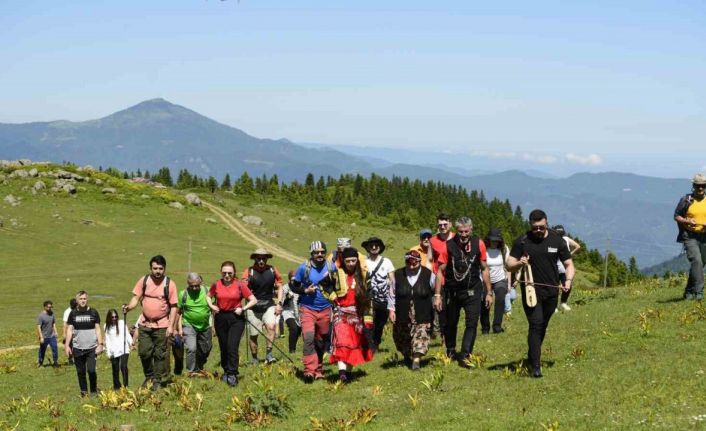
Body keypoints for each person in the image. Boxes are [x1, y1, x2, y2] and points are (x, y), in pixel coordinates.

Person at [506, 209, 574, 378]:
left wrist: (568, 280)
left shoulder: (557, 240)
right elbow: (509, 264)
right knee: (536, 324)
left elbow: (569, 264)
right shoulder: (522, 241)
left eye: (541, 227)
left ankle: (532, 355)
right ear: (530, 225)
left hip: (552, 292)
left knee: (542, 326)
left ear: (546, 223)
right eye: (535, 227)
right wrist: (519, 263)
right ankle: (535, 366)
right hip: (531, 291)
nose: (538, 230)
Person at [434, 216, 493, 366]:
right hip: (452, 291)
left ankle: (465, 355)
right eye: (460, 232)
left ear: (471, 230)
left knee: (471, 323)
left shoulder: (479, 244)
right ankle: (451, 350)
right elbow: (440, 271)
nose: (464, 235)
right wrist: (437, 295)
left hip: (473, 289)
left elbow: (485, 269)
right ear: (457, 231)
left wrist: (489, 292)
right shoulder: (448, 246)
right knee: (450, 322)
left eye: (466, 231)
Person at [122, 255, 178, 390]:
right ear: (150, 268)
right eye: (155, 268)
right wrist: (129, 307)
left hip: (162, 324)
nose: (157, 271)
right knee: (144, 352)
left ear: (164, 269)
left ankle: (157, 381)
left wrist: (171, 326)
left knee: (160, 354)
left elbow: (174, 306)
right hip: (145, 324)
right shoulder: (144, 280)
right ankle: (149, 375)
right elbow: (136, 298)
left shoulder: (169, 284)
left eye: (160, 268)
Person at [290, 240, 338, 382]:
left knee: (321, 340)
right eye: (316, 252)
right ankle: (309, 371)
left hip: (325, 308)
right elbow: (293, 286)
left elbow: (338, 285)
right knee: (309, 338)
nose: (320, 254)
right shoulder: (304, 267)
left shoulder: (331, 267)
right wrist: (305, 290)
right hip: (307, 309)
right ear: (311, 253)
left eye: (322, 252)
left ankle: (318, 369)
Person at [328, 248, 374, 382]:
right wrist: (333, 297)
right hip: (341, 313)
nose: (351, 263)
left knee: (355, 344)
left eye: (354, 260)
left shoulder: (364, 275)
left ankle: (347, 373)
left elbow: (368, 297)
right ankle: (341, 372)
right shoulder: (336, 273)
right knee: (342, 342)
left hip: (357, 313)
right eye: (348, 261)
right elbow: (324, 285)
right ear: (343, 261)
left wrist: (367, 317)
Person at [209, 261, 257, 386]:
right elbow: (208, 296)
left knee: (232, 346)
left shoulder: (240, 285)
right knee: (223, 346)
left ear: (234, 272)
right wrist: (211, 305)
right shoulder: (216, 284)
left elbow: (253, 300)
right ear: (221, 272)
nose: (227, 275)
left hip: (236, 317)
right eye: (224, 273)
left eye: (229, 273)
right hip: (220, 317)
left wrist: (243, 309)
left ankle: (232, 373)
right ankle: (226, 370)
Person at [391, 249, 435, 370]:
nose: (411, 265)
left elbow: (435, 290)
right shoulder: (398, 274)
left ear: (419, 262)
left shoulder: (428, 274)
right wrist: (391, 310)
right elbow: (391, 294)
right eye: (408, 262)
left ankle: (416, 361)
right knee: (403, 337)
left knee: (422, 335)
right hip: (402, 312)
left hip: (422, 312)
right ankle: (406, 355)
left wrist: (437, 300)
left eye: (414, 263)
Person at [241, 249, 283, 365]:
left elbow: (280, 286)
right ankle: (255, 359)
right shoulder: (248, 272)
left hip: (268, 304)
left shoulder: (272, 270)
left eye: (263, 258)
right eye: (258, 258)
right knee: (254, 335)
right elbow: (243, 289)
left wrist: (279, 303)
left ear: (267, 259)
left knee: (271, 326)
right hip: (253, 307)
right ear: (254, 259)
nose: (261, 261)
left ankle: (269, 355)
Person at [674, 173, 706, 300]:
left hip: (704, 236)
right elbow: (676, 216)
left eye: (703, 186)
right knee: (696, 261)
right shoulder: (686, 200)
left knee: (700, 264)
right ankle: (699, 292)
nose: (700, 188)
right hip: (689, 236)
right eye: (698, 186)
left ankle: (688, 290)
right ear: (693, 186)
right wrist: (687, 222)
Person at [176, 272, 216, 376]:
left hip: (205, 325)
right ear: (188, 284)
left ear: (201, 282)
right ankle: (191, 371)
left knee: (206, 348)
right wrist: (178, 329)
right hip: (189, 324)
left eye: (196, 286)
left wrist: (214, 326)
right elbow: (179, 312)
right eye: (191, 286)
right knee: (191, 348)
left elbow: (214, 310)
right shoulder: (183, 294)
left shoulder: (208, 291)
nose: (194, 288)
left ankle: (199, 366)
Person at [65, 291, 102, 397]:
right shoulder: (73, 314)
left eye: (84, 298)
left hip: (91, 348)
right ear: (77, 300)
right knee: (80, 372)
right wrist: (67, 345)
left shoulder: (93, 312)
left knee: (91, 370)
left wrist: (100, 344)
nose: (83, 300)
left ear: (87, 299)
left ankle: (94, 391)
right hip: (77, 348)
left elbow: (98, 329)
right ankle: (84, 392)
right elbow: (69, 330)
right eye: (81, 299)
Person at [362, 236, 395, 350]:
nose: (374, 247)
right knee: (369, 322)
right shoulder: (364, 262)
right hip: (369, 298)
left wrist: (393, 298)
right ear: (367, 247)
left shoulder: (387, 262)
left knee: (380, 324)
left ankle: (376, 343)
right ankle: (370, 346)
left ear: (380, 247)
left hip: (384, 299)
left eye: (376, 245)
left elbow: (392, 280)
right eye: (371, 245)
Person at [480, 228, 511, 334]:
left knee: (501, 299)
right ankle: (485, 328)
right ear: (488, 239)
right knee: (485, 303)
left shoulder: (504, 250)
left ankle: (497, 326)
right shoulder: (483, 249)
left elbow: (508, 267)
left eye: (496, 240)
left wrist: (509, 283)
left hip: (500, 279)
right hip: (485, 280)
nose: (494, 242)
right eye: (492, 240)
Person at [430, 213, 454, 340]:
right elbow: (430, 258)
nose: (443, 227)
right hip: (440, 279)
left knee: (453, 309)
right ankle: (444, 336)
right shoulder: (433, 241)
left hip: (455, 279)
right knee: (441, 308)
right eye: (440, 225)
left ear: (450, 224)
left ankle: (450, 333)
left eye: (445, 224)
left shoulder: (457, 238)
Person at [552, 225, 581, 312]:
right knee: (554, 287)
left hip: (565, 268)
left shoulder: (566, 239)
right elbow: (577, 246)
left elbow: (577, 246)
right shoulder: (554, 241)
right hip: (555, 268)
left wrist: (569, 254)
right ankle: (554, 306)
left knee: (568, 286)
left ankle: (563, 303)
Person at [104, 308, 132, 389]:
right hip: (113, 350)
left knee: (123, 366)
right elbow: (107, 340)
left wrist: (131, 343)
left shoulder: (121, 323)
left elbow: (126, 333)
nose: (114, 319)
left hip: (124, 348)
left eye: (116, 317)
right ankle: (117, 386)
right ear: (109, 318)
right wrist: (108, 353)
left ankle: (126, 385)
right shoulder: (106, 326)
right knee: (115, 369)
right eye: (112, 317)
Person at [281, 270, 301, 354]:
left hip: (298, 311)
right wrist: (288, 297)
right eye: (292, 280)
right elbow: (282, 303)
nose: (294, 281)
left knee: (298, 330)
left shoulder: (301, 286)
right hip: (287, 311)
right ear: (289, 280)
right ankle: (291, 350)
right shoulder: (285, 288)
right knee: (293, 328)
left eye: (295, 280)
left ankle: (294, 347)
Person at [37, 300, 59, 367]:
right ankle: (40, 363)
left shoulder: (52, 314)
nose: (50, 308)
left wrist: (55, 331)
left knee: (55, 348)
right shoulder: (41, 316)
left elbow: (53, 324)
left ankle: (55, 362)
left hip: (51, 336)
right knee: (42, 351)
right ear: (45, 307)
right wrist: (41, 337)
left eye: (51, 307)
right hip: (44, 337)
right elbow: (38, 327)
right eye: (49, 307)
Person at [62, 298, 78, 365]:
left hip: (77, 331)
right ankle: (70, 359)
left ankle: (77, 359)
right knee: (70, 345)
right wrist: (64, 333)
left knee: (77, 346)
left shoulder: (78, 310)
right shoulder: (67, 311)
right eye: (74, 305)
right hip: (70, 331)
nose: (75, 306)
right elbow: (65, 323)